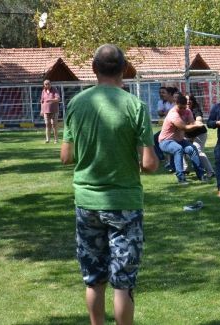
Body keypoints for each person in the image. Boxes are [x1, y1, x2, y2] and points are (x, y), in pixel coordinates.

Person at [60, 44, 159, 325]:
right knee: (123, 283)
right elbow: (150, 164)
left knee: (93, 280)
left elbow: (66, 156)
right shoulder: (135, 106)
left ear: (94, 69)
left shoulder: (76, 104)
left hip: (87, 202)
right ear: (124, 69)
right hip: (124, 204)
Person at [158, 94, 206, 184]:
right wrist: (197, 125)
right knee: (178, 149)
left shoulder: (187, 111)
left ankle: (201, 175)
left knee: (192, 149)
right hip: (166, 141)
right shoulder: (173, 114)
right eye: (180, 108)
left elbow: (192, 122)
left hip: (179, 140)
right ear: (176, 104)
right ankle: (181, 178)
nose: (183, 110)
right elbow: (185, 128)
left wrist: (196, 122)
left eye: (184, 108)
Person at [185, 94, 214, 178]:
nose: (188, 101)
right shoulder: (180, 111)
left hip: (199, 134)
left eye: (190, 99)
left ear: (193, 101)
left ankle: (210, 171)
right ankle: (184, 170)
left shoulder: (195, 110)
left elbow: (199, 118)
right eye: (186, 100)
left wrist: (197, 121)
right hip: (187, 135)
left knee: (198, 150)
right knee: (180, 149)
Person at [40, 79, 60, 143]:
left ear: (50, 84)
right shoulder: (43, 91)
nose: (47, 85)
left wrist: (51, 100)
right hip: (45, 111)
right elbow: (42, 101)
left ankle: (56, 139)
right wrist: (41, 110)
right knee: (47, 125)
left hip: (54, 110)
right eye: (45, 84)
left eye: (48, 84)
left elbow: (58, 99)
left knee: (54, 125)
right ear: (44, 85)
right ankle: (47, 139)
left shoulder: (54, 90)